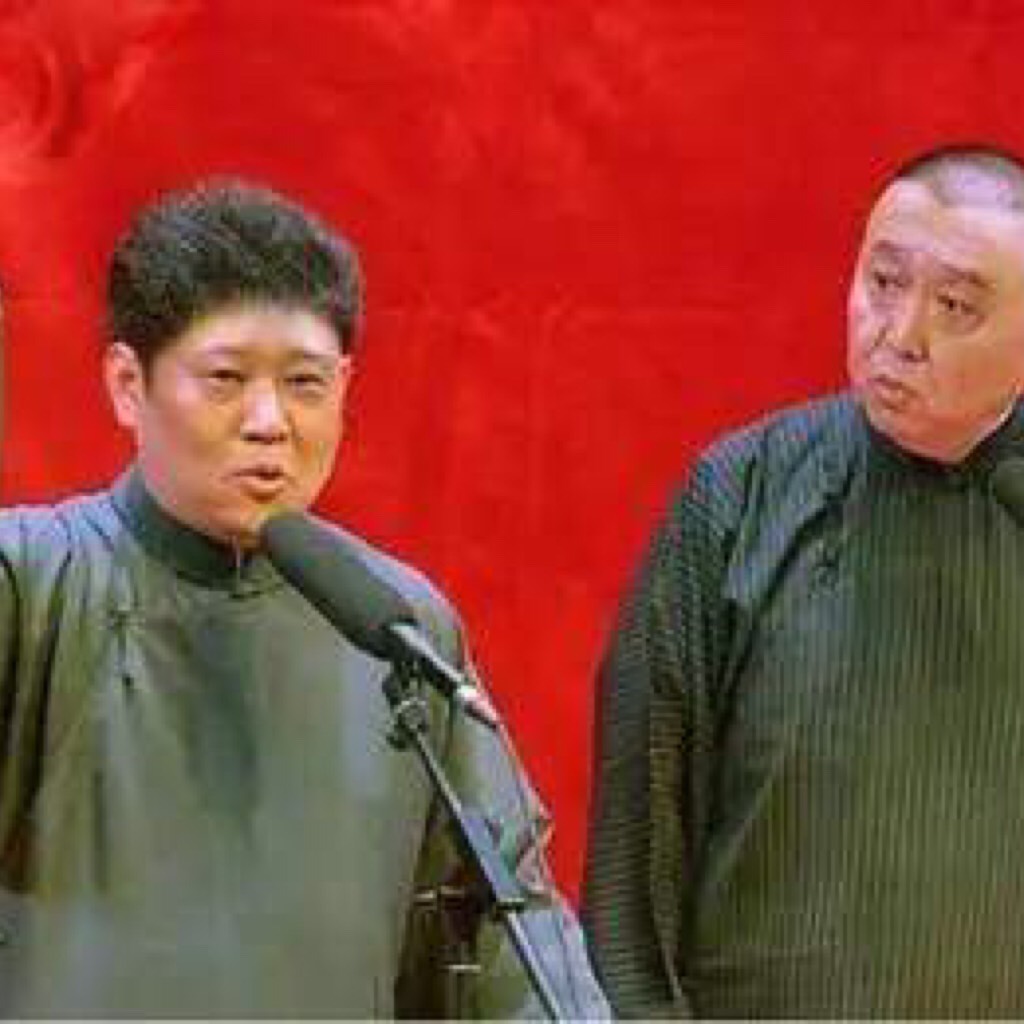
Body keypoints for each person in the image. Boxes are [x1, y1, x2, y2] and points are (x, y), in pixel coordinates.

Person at [0, 180, 608, 1018]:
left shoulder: (394, 622)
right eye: (225, 379)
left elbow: (510, 934)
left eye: (304, 383)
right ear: (127, 383)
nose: (269, 421)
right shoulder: (33, 582)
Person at [582, 144, 1024, 1017]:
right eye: (883, 283)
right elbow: (634, 857)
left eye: (956, 307)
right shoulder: (739, 496)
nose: (900, 335)